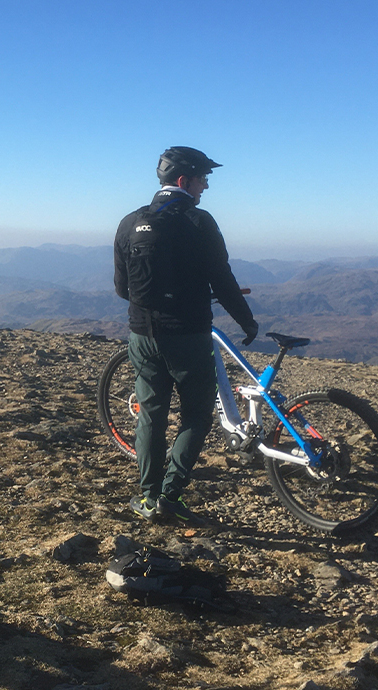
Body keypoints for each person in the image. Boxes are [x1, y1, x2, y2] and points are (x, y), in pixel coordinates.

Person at [113, 146, 259, 525]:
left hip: (142, 335)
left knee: (151, 415)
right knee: (196, 415)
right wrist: (247, 322)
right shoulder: (199, 221)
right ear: (184, 181)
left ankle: (147, 498)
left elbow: (121, 288)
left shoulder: (129, 223)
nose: (206, 186)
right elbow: (223, 280)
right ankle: (170, 495)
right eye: (202, 179)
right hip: (189, 337)